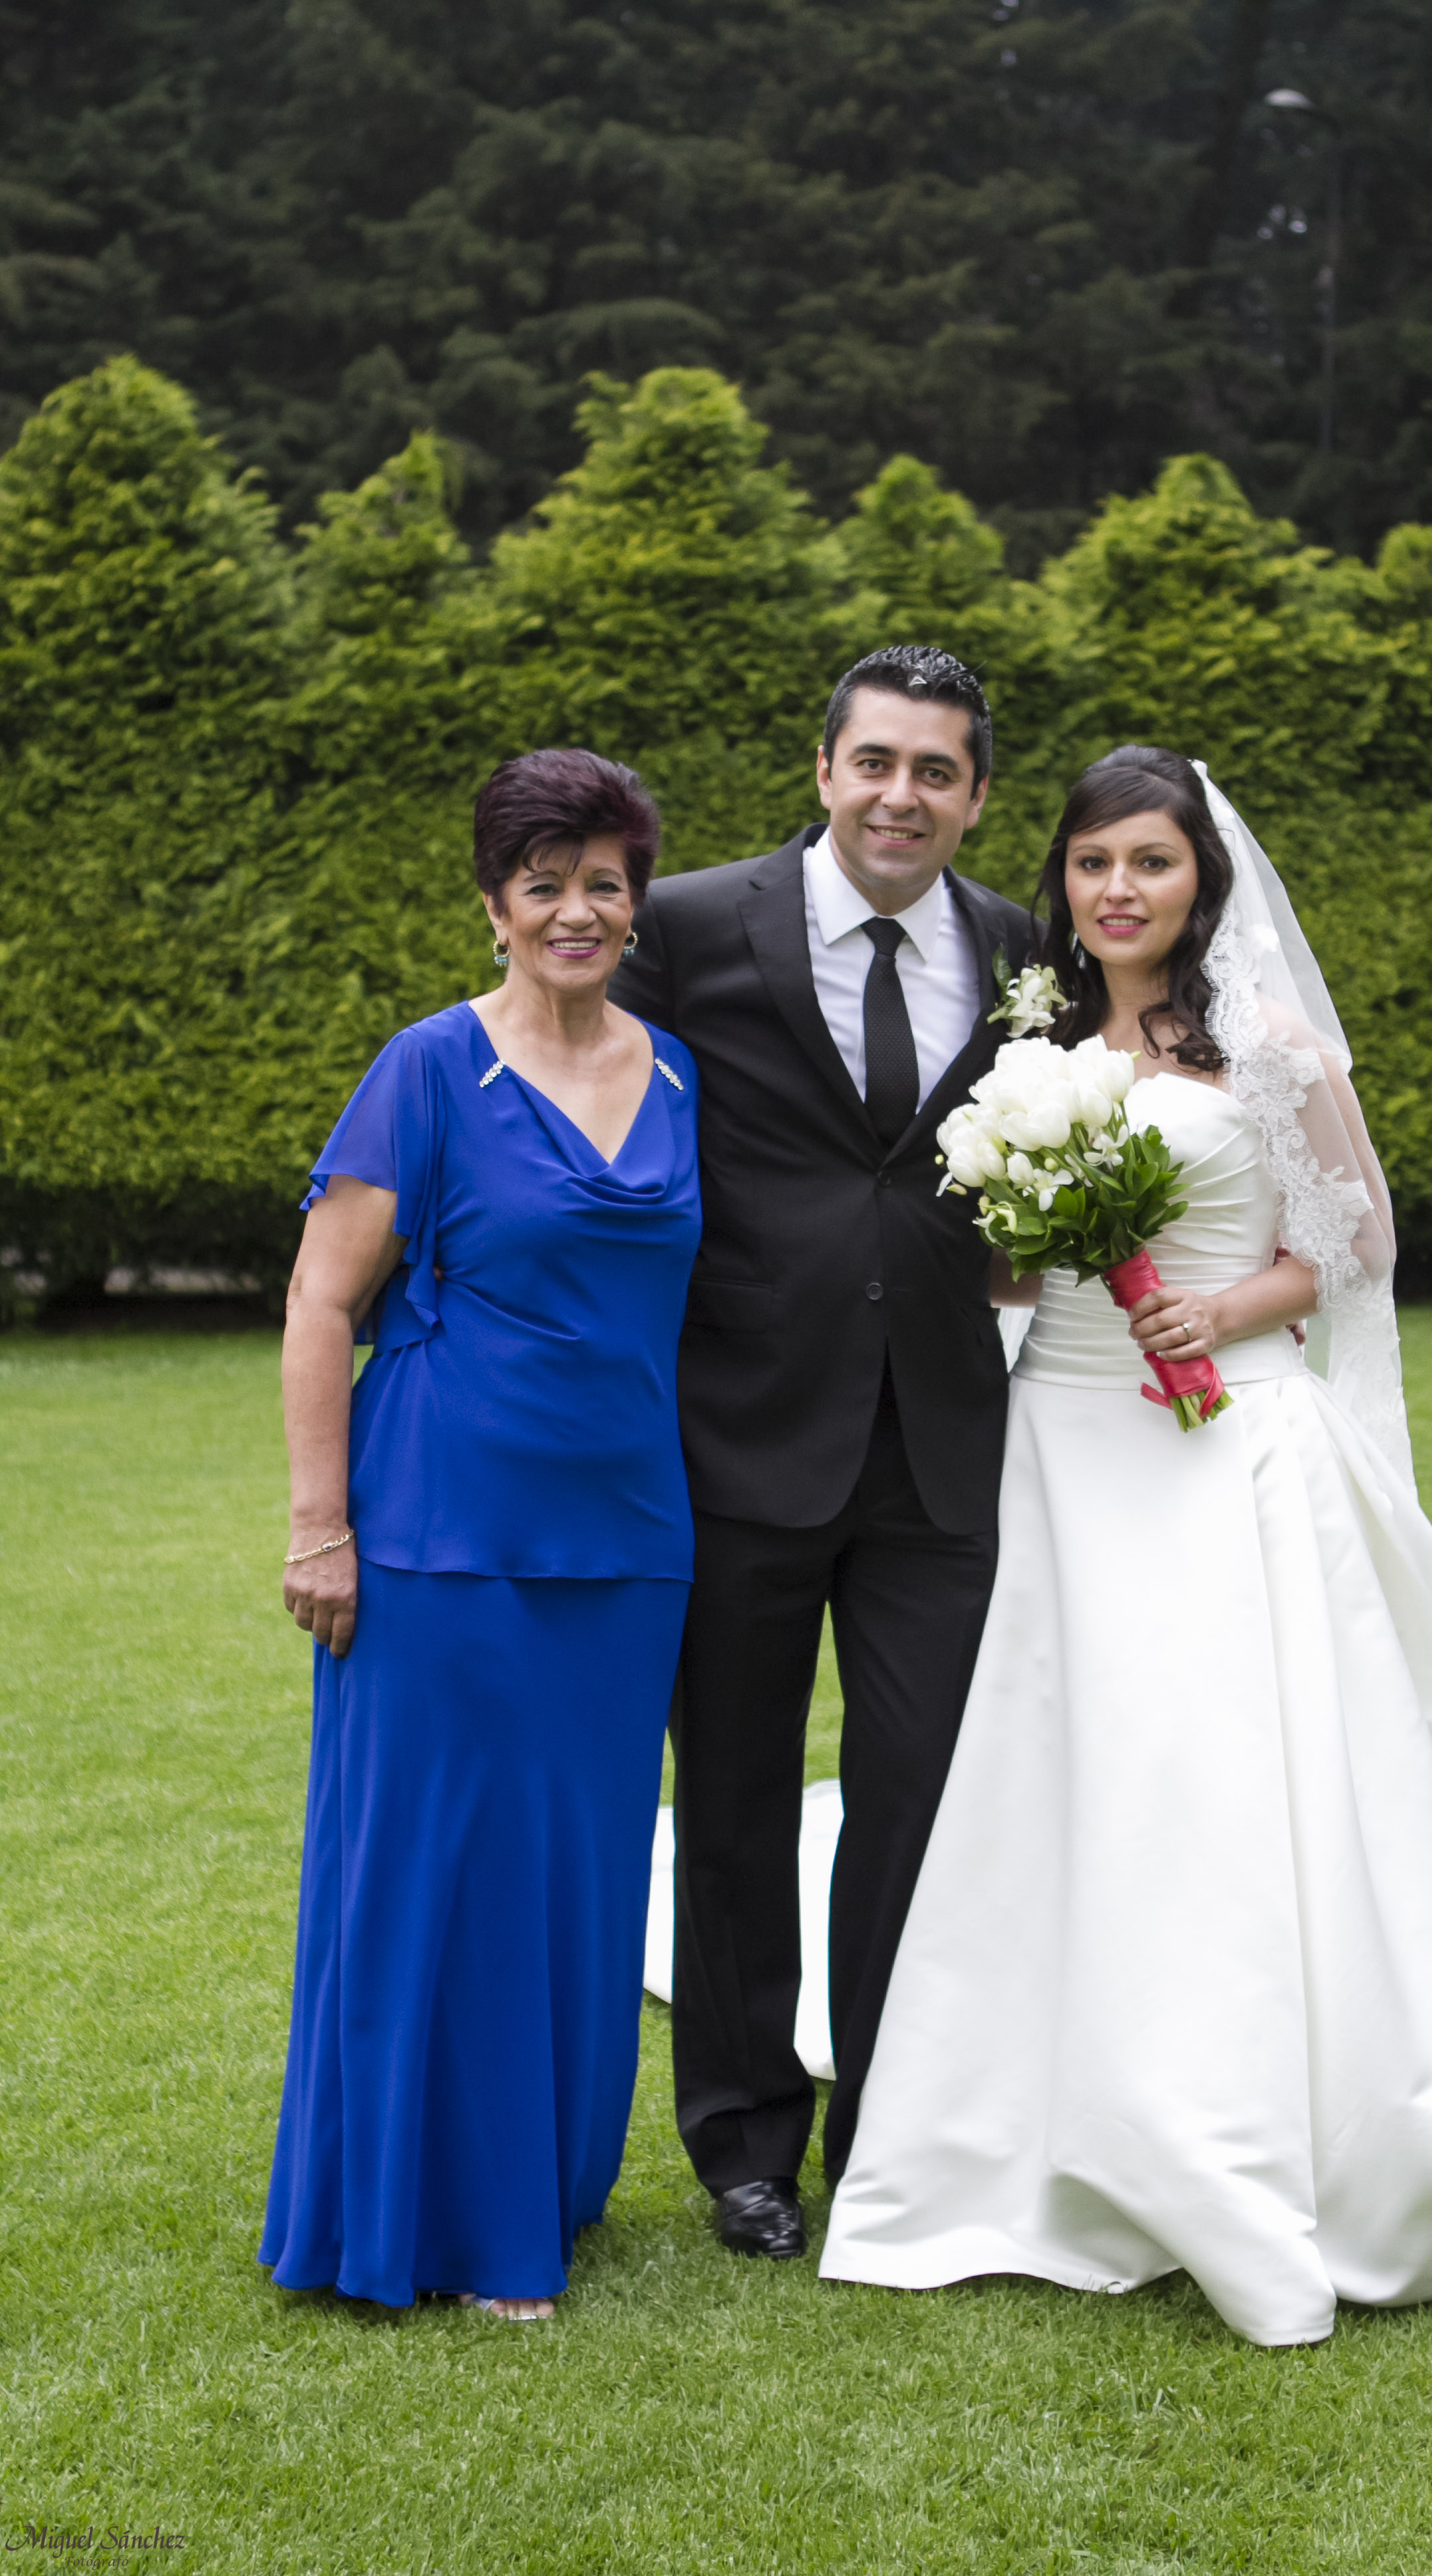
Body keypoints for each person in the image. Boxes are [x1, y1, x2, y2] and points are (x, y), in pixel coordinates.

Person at [821, 745, 1432, 2345]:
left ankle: (1264, 2104)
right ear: (1063, 880)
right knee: (1064, 1752)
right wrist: (1028, 1241)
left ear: (1201, 879)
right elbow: (1014, 1272)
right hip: (1062, 1440)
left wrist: (1216, 1311)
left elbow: (1352, 1245)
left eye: (1150, 862)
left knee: (1224, 1761)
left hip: (1225, 1437)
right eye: (1093, 862)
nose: (1119, 891)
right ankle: (1041, 2096)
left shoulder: (1275, 1050)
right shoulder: (1033, 1045)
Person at [259, 747, 699, 2323]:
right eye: (544, 885)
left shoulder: (677, 1072)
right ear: (495, 908)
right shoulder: (429, 1068)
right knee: (440, 1869)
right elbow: (322, 1300)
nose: (577, 911)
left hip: (629, 1543)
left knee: (579, 1874)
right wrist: (321, 1527)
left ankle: (544, 2190)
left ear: (635, 906)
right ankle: (424, 2220)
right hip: (441, 1533)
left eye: (603, 885)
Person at [609, 644, 1034, 2257]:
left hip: (943, 1447)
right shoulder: (690, 926)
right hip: (739, 1432)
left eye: (936, 772)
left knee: (919, 1800)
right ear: (824, 769)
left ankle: (890, 2136)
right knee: (732, 1803)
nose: (900, 797)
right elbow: (604, 1124)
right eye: (877, 763)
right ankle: (744, 2146)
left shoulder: (1020, 948)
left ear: (975, 797)